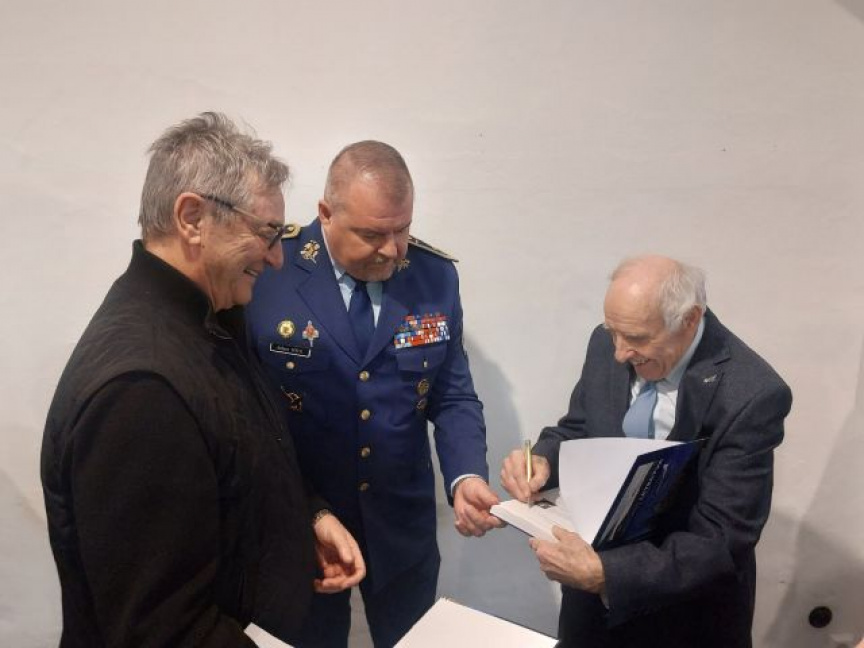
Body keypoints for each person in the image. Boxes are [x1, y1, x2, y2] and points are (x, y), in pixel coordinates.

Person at [41, 112, 365, 647]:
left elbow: (245, 453)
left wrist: (309, 514)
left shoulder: (213, 317)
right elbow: (164, 630)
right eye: (267, 233)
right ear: (192, 218)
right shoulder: (141, 391)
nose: (277, 258)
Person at [246, 140, 502, 647]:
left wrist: (466, 474)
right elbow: (246, 409)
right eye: (372, 234)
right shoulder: (272, 270)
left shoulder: (434, 277)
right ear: (326, 213)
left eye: (402, 229)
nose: (392, 250)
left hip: (400, 523)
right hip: (303, 521)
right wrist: (303, 511)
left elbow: (452, 394)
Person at [500, 255, 792, 648]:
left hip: (686, 618)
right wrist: (543, 459)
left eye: (637, 339)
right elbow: (580, 428)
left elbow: (723, 538)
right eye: (613, 333)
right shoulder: (607, 342)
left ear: (689, 319)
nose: (620, 353)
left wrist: (607, 575)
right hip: (591, 612)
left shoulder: (752, 394)